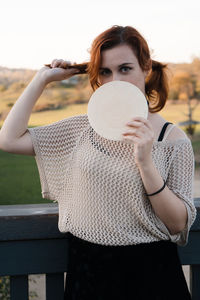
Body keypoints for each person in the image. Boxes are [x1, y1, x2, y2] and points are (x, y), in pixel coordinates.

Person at [0, 25, 197, 299]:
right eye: (105, 71)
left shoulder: (172, 139)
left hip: (151, 276)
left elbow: (177, 224)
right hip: (88, 273)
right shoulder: (82, 128)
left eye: (125, 68)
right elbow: (8, 140)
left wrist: (146, 162)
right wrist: (42, 80)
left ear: (146, 68)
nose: (114, 79)